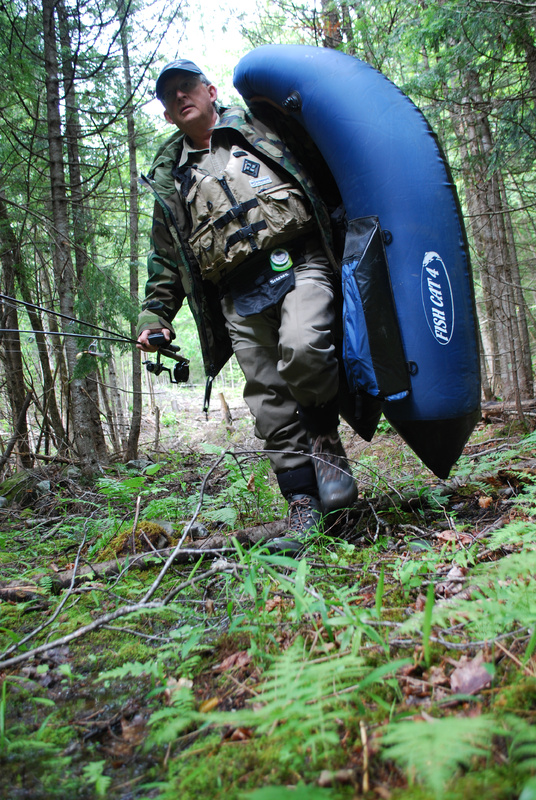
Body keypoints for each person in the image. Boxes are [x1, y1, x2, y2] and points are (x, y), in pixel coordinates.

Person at [136, 58, 358, 552]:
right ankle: (303, 506)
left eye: (187, 87)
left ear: (211, 91)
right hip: (236, 291)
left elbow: (326, 164)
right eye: (169, 96)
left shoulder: (262, 128)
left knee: (303, 348)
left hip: (298, 259)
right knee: (269, 402)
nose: (179, 97)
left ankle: (325, 442)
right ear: (168, 116)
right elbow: (166, 259)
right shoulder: (170, 182)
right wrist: (156, 316)